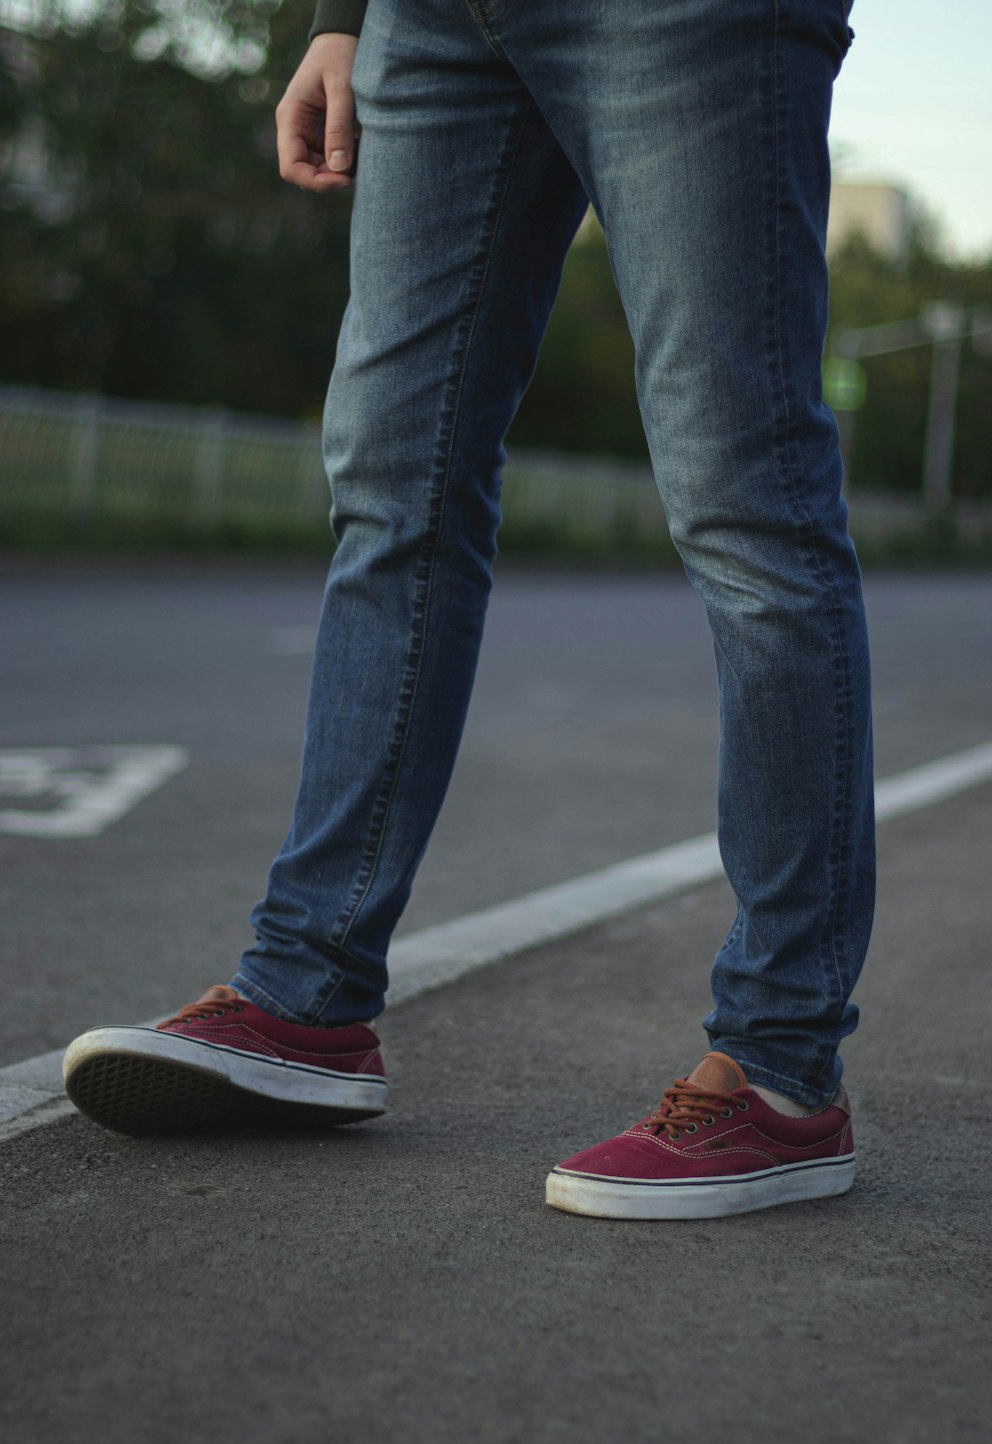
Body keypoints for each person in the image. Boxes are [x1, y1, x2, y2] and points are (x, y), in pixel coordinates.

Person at [63, 0, 873, 1221]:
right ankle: (308, 996)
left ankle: (781, 1066)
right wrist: (340, 15)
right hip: (433, 18)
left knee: (743, 501)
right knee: (392, 492)